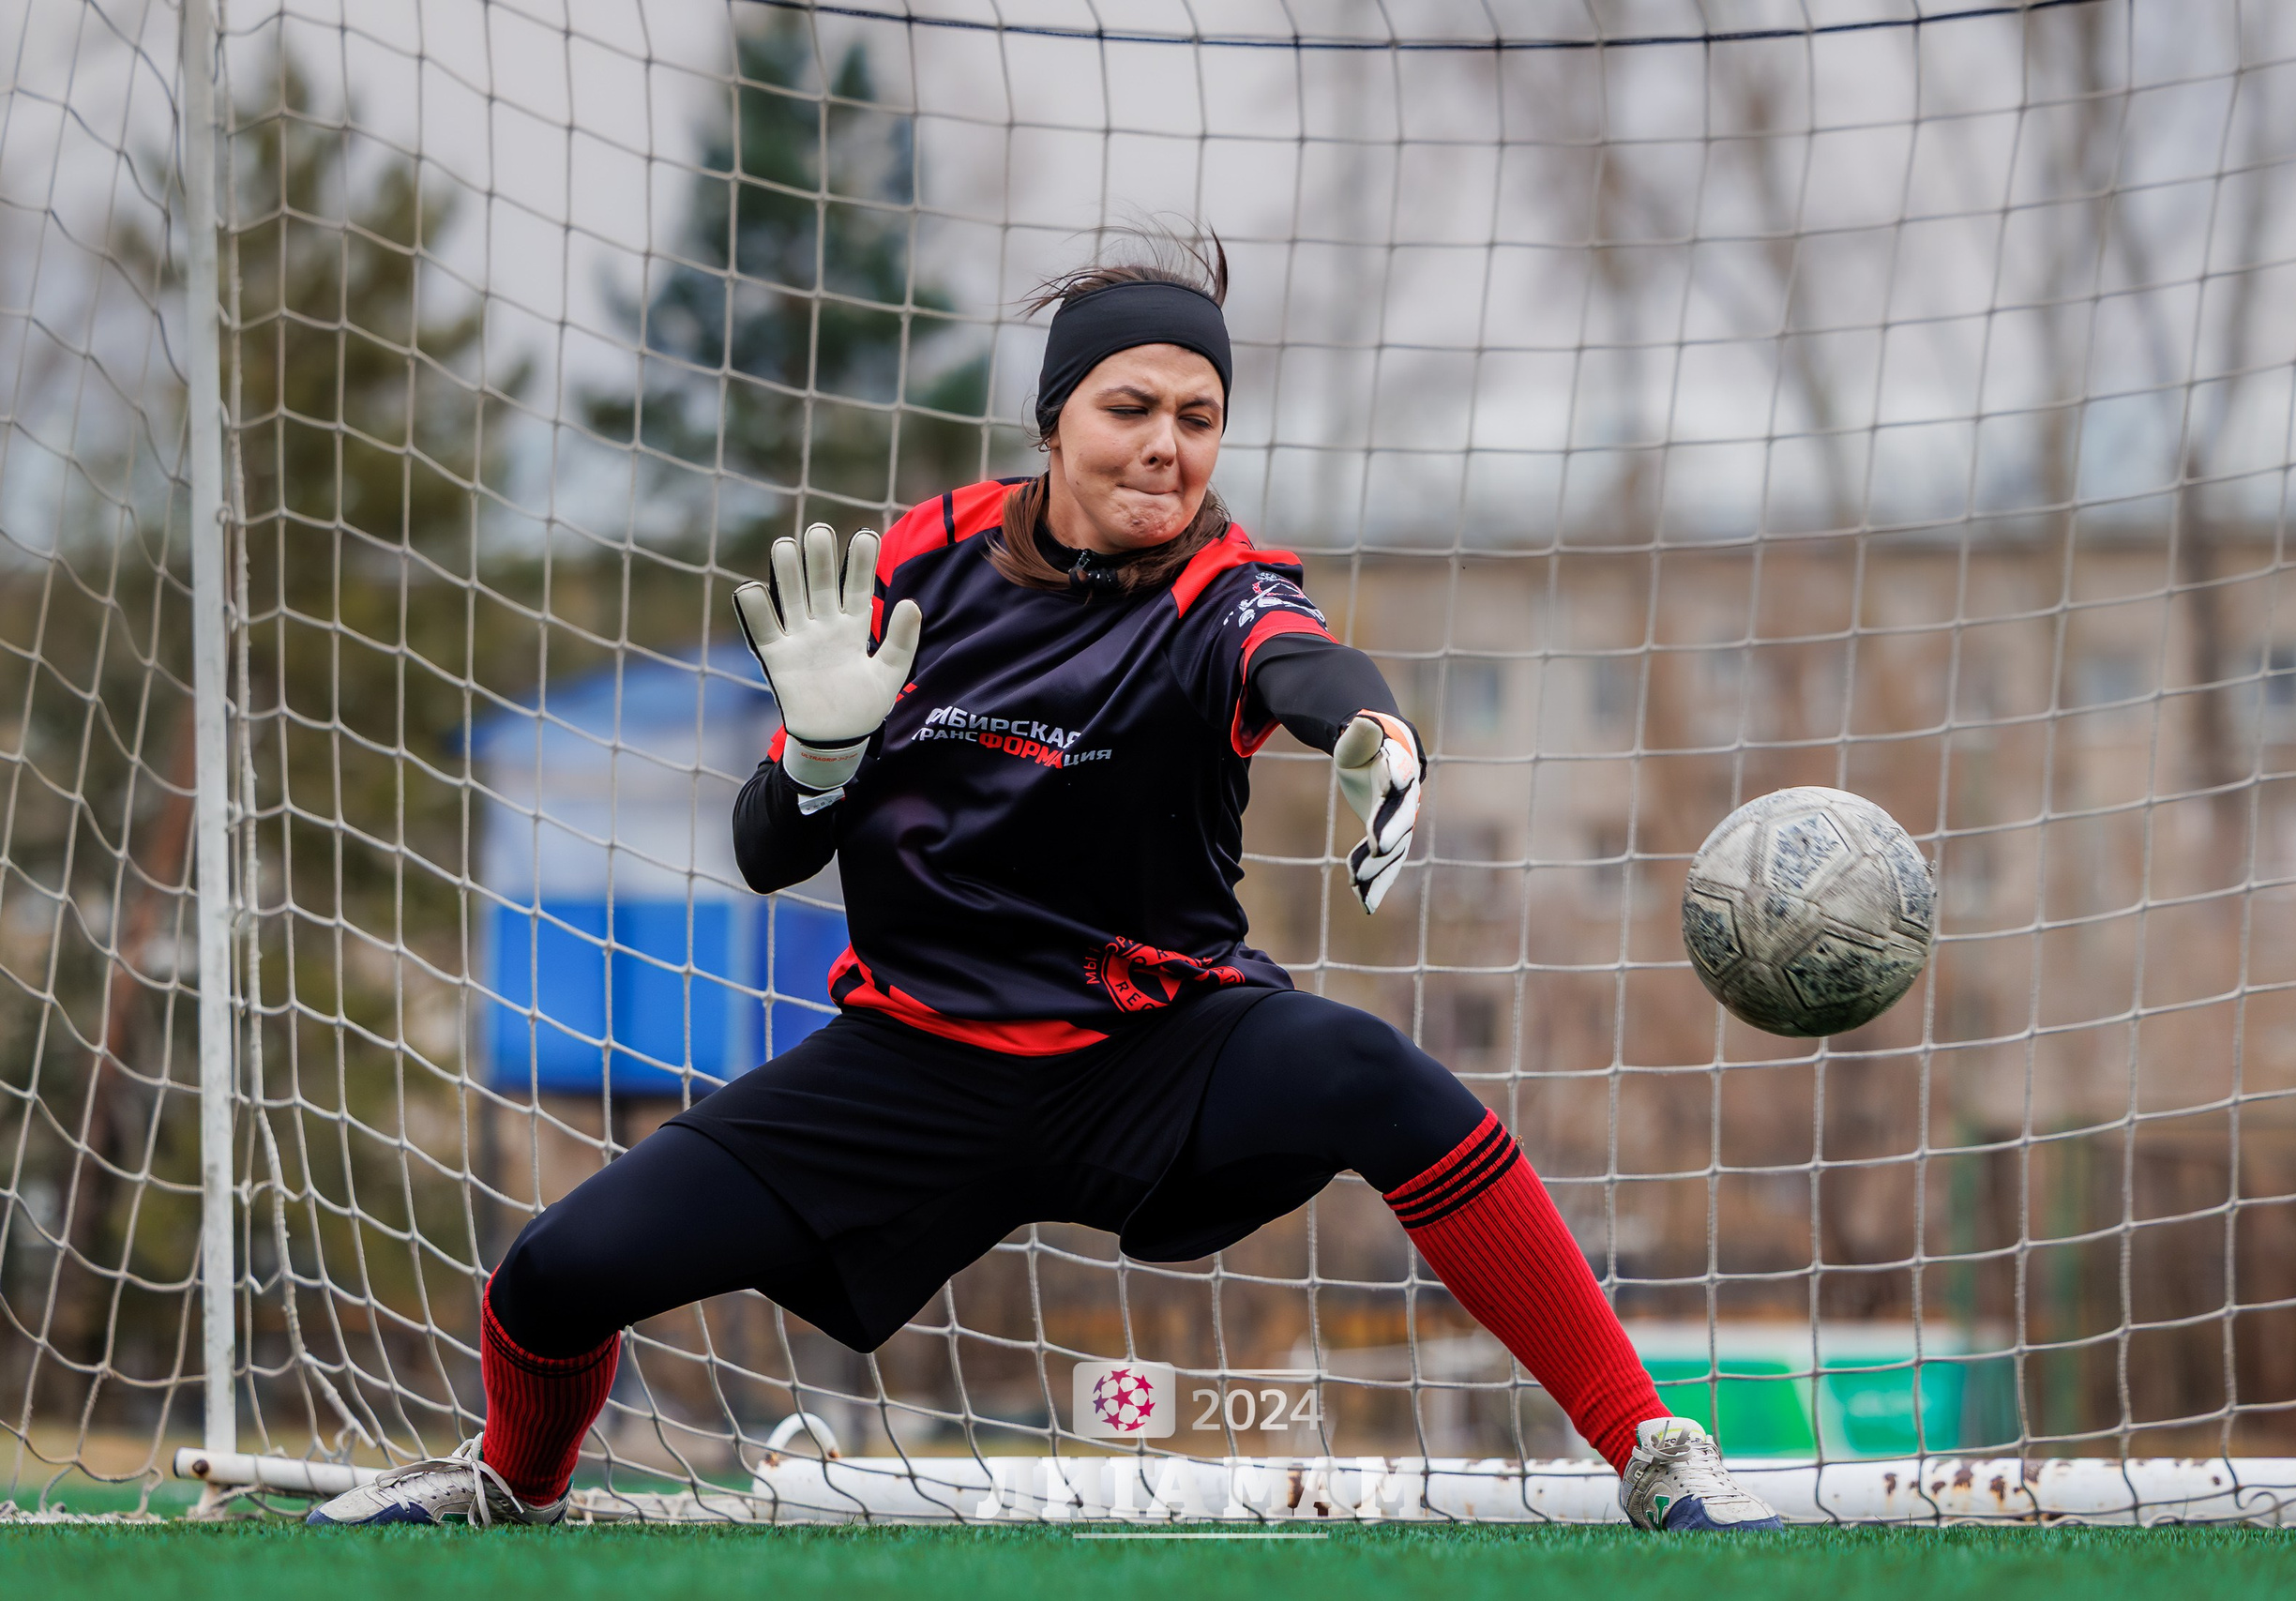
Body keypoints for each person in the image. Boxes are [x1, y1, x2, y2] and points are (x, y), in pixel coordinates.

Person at [310, 237, 1779, 1533]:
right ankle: (515, 1484)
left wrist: (1373, 728)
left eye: (1198, 418)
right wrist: (819, 758)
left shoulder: (1225, 586)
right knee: (560, 1271)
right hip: (918, 1060)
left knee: (1373, 1072)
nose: (1166, 447)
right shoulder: (923, 567)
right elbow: (770, 855)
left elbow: (1299, 660)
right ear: (1056, 422)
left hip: (1156, 1051)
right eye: (1130, 409)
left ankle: (1652, 1450)